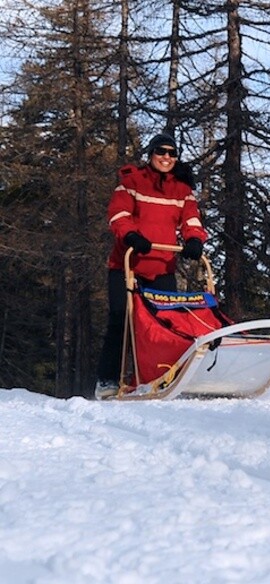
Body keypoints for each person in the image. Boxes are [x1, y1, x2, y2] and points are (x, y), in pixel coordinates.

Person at [93, 133, 208, 398]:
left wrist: (194, 240)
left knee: (162, 324)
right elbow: (119, 214)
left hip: (161, 265)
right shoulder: (132, 182)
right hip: (128, 264)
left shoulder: (181, 189)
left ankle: (156, 374)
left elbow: (191, 219)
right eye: (161, 152)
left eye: (172, 153)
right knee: (121, 319)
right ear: (151, 154)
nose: (166, 157)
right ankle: (108, 379)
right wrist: (131, 234)